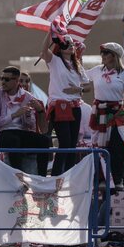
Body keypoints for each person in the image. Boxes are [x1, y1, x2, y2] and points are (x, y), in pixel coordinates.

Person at [40, 31, 90, 174]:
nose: (70, 46)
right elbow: (44, 50)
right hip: (59, 105)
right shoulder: (55, 61)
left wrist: (78, 89)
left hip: (75, 106)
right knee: (65, 142)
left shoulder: (77, 65)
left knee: (72, 143)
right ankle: (57, 175)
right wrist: (50, 32)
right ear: (60, 47)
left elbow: (88, 86)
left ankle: (69, 174)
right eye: (65, 43)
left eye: (72, 44)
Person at [0, 65, 51, 175]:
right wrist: (15, 115)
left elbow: (30, 125)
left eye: (6, 79)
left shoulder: (27, 96)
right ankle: (19, 177)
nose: (3, 82)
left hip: (21, 132)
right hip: (2, 133)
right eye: (1, 78)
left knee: (44, 141)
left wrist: (27, 115)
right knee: (13, 139)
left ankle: (42, 178)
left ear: (16, 81)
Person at [89, 42, 124, 188]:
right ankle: (101, 178)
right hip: (99, 112)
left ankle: (117, 179)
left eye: (105, 53)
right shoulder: (96, 70)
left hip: (116, 113)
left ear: (114, 56)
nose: (102, 56)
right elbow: (81, 78)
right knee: (99, 145)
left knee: (117, 144)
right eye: (102, 53)